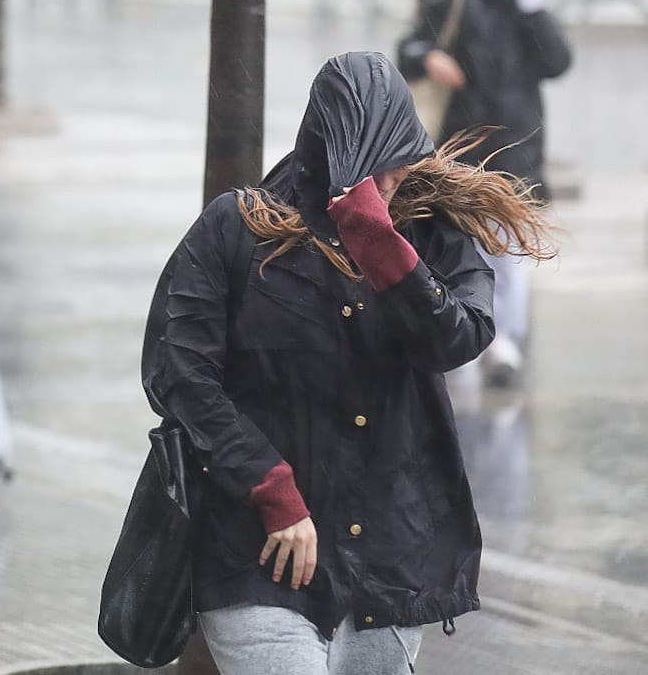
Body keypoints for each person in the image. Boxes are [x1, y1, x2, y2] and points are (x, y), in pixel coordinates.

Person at [142, 51, 553, 675]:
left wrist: (381, 245)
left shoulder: (428, 230)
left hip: (386, 563)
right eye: (371, 164)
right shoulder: (238, 228)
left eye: (397, 158)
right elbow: (179, 372)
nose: (386, 179)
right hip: (260, 555)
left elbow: (460, 338)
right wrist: (271, 489)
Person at [398, 0, 572, 385]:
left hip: (517, 152)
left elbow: (558, 62)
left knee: (510, 254)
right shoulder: (454, 5)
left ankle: (505, 342)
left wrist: (531, 5)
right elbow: (407, 48)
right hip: (459, 151)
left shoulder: (530, 14)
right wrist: (431, 58)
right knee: (458, 248)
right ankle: (461, 336)